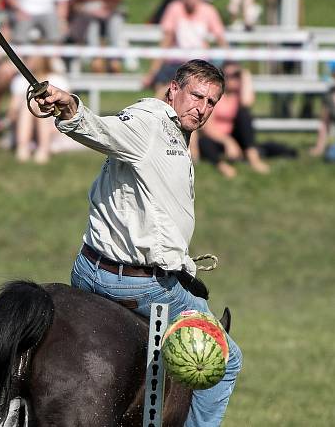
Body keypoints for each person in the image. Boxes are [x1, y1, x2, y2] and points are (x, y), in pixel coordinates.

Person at [34, 59, 242, 427]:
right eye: (196, 96)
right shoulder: (151, 123)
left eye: (212, 102)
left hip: (87, 268)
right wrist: (69, 108)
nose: (203, 108)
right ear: (173, 90)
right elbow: (102, 130)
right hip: (138, 285)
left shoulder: (175, 133)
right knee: (227, 357)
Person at [144, 0, 228, 97]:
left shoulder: (208, 10)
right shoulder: (174, 8)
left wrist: (230, 60)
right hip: (176, 63)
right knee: (162, 88)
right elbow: (166, 40)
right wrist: (152, 72)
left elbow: (220, 38)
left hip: (200, 64)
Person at [197, 61, 269, 177]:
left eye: (236, 75)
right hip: (217, 138)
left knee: (244, 115)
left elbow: (247, 102)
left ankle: (253, 157)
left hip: (235, 136)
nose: (233, 79)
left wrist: (245, 75)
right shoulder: (215, 95)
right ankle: (221, 166)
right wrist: (228, 142)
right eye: (229, 76)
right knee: (204, 143)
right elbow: (207, 128)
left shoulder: (238, 95)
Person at [8, 56, 69, 163]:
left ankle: (39, 148)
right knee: (30, 103)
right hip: (25, 125)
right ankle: (25, 147)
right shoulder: (20, 80)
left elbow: (67, 110)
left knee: (40, 104)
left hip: (52, 126)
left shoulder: (57, 80)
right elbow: (12, 111)